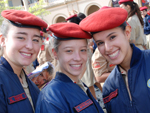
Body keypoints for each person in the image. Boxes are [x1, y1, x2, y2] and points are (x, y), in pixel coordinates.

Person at [79, 7, 150, 113]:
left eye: (112, 37)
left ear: (127, 33)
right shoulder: (109, 87)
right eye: (100, 43)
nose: (107, 48)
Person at [35, 22, 104, 113]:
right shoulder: (51, 97)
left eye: (82, 50)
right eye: (69, 51)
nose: (78, 58)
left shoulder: (79, 84)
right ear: (55, 53)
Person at [0, 9, 47, 113]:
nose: (30, 46)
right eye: (21, 37)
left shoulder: (27, 81)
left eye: (35, 40)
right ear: (3, 40)